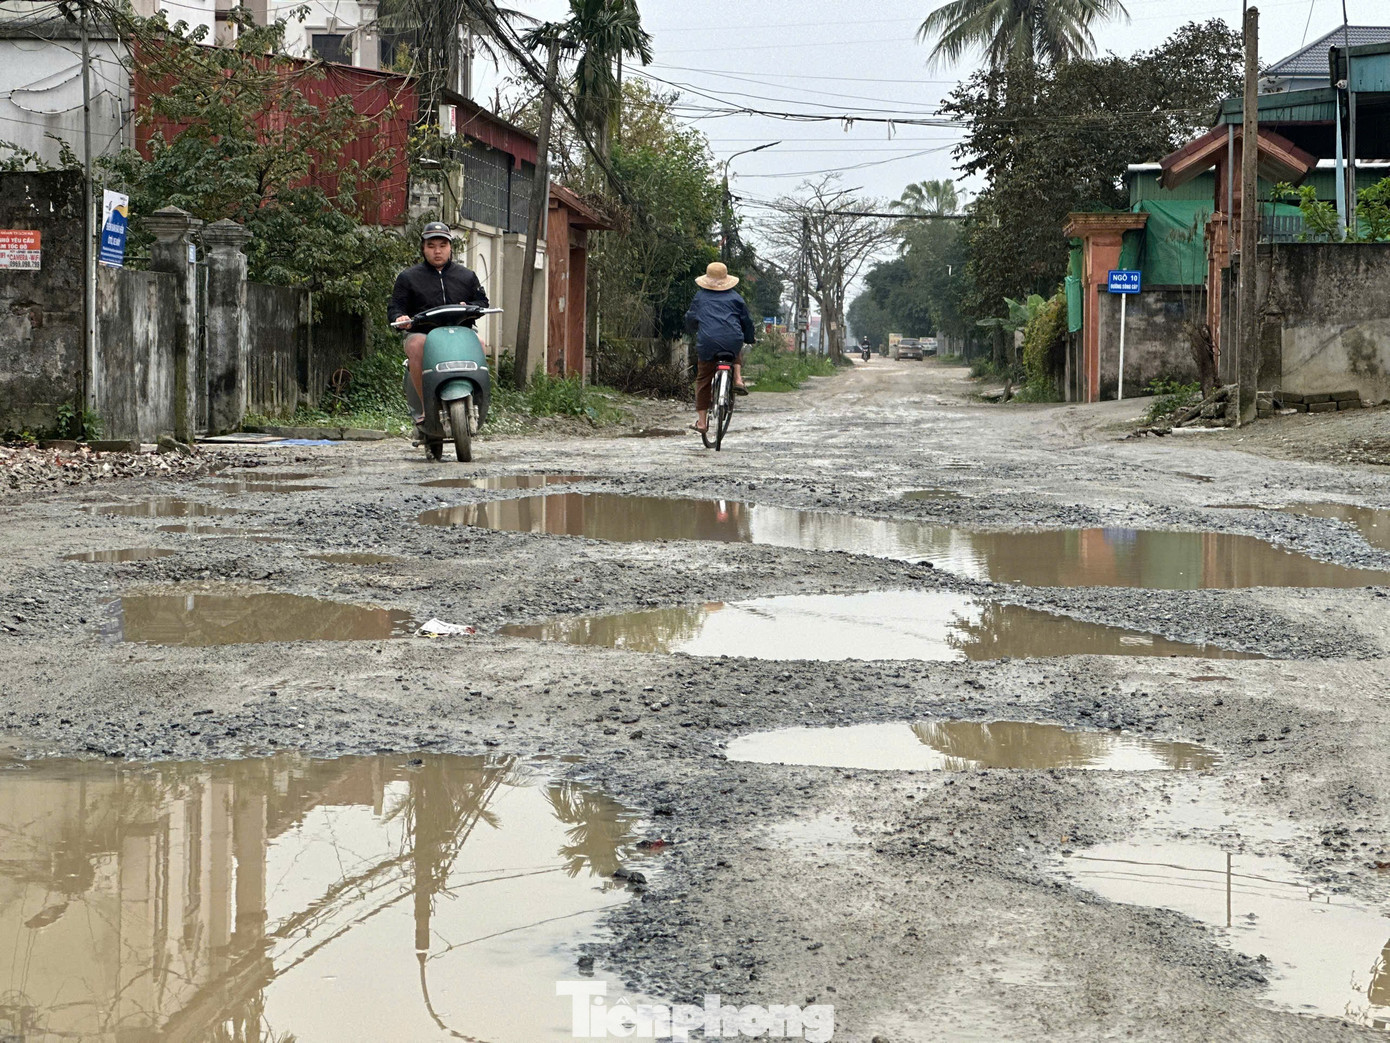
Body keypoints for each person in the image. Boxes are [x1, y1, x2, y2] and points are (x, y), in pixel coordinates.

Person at [388, 222, 489, 423]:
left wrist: (469, 306)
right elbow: (395, 307)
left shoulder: (467, 276)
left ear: (450, 247)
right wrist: (400, 318)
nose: (437, 251)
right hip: (423, 333)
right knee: (417, 345)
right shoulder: (408, 277)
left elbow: (482, 302)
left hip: (460, 331)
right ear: (423, 248)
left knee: (480, 344)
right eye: (431, 245)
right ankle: (426, 408)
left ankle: (478, 402)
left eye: (442, 245)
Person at [684, 261, 756, 434]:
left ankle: (702, 423)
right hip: (732, 341)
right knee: (734, 344)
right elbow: (746, 321)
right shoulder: (736, 298)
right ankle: (738, 378)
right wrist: (749, 338)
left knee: (703, 379)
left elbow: (690, 318)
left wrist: (692, 329)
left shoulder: (700, 297)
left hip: (708, 342)